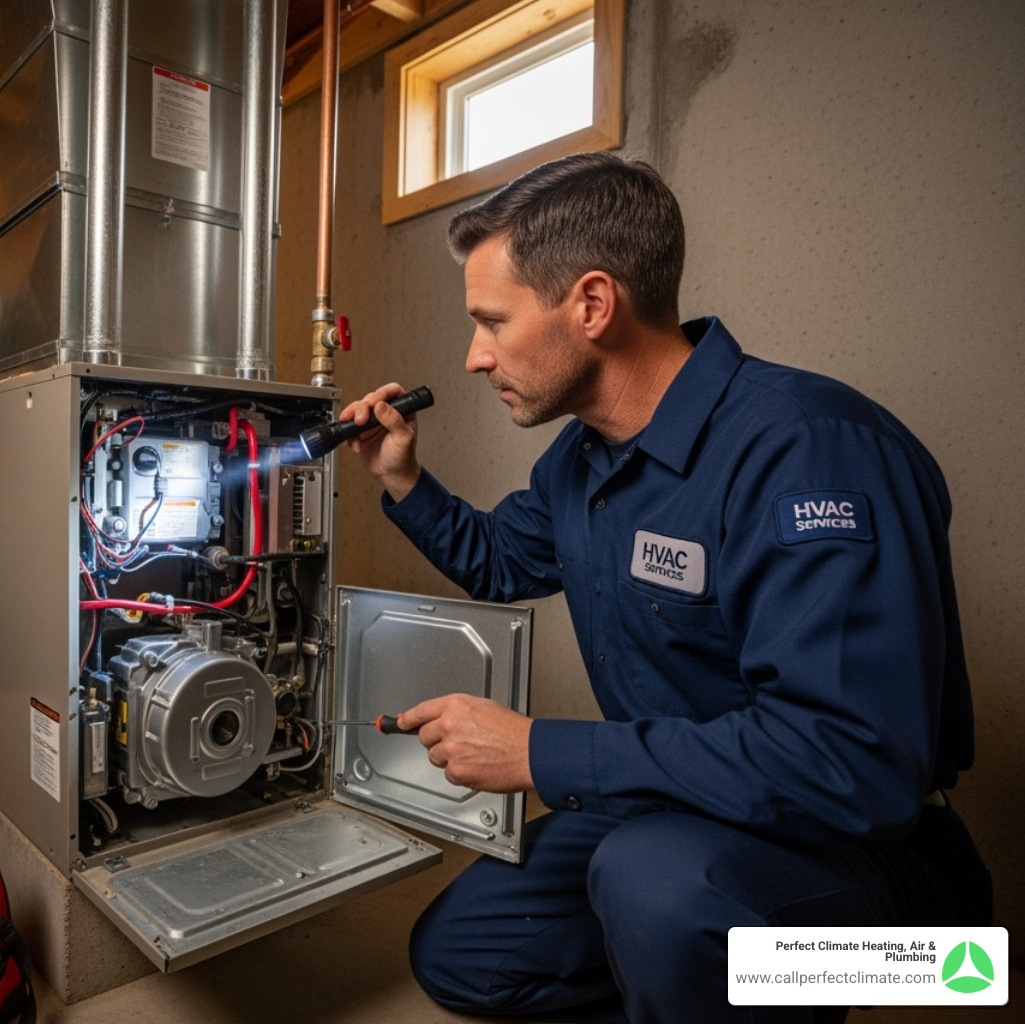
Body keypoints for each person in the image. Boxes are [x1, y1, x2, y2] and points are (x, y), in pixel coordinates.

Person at [340, 152, 991, 1023]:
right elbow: (503, 561)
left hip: (879, 865)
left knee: (657, 888)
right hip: (682, 809)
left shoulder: (810, 448)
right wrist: (402, 479)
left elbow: (851, 763)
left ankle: (780, 973)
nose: (473, 357)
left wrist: (540, 752)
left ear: (593, 305)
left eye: (492, 321)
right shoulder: (582, 462)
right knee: (466, 952)